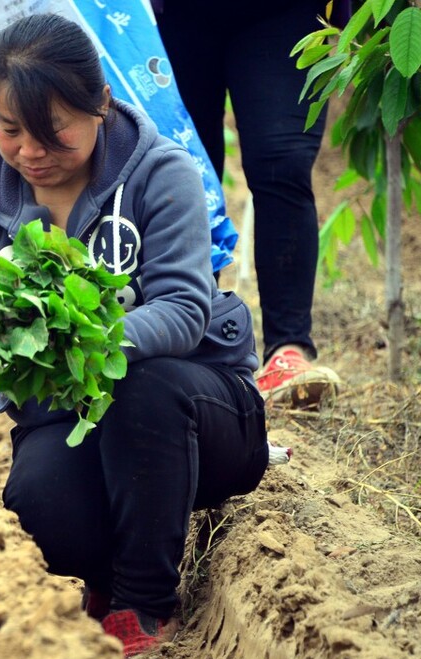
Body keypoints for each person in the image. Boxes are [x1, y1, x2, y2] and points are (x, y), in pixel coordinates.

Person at [0, 13, 270, 659]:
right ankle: (108, 564)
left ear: (100, 104)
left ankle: (143, 597)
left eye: (53, 131)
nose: (29, 151)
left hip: (200, 407)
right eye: (9, 129)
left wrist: (79, 336)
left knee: (140, 386)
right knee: (41, 512)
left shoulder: (159, 175)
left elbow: (184, 309)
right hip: (72, 413)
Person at [154, 0, 348, 407]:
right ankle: (193, 344)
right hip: (169, 15)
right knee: (175, 170)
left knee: (283, 162)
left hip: (282, 11)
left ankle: (288, 352)